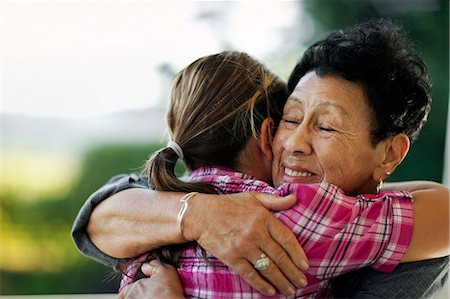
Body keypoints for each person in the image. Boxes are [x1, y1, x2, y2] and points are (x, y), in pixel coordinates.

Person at [72, 19, 449, 298]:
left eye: (327, 127)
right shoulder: (309, 214)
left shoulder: (160, 218)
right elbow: (97, 219)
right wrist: (201, 216)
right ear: (268, 133)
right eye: (292, 118)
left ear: (390, 153)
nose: (296, 143)